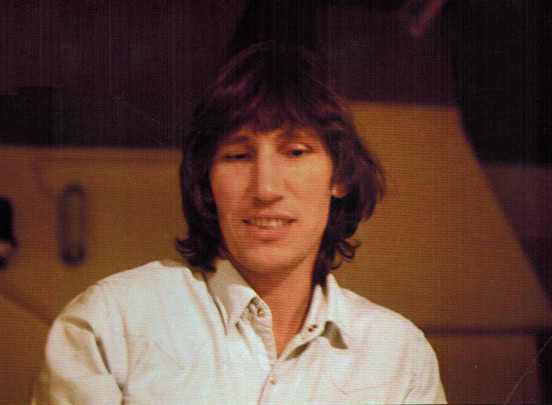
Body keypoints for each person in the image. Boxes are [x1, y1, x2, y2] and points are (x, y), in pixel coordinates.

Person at [32, 41, 446, 404]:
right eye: (238, 155)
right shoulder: (110, 323)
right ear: (207, 182)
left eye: (295, 152)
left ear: (339, 176)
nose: (265, 188)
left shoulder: (399, 353)